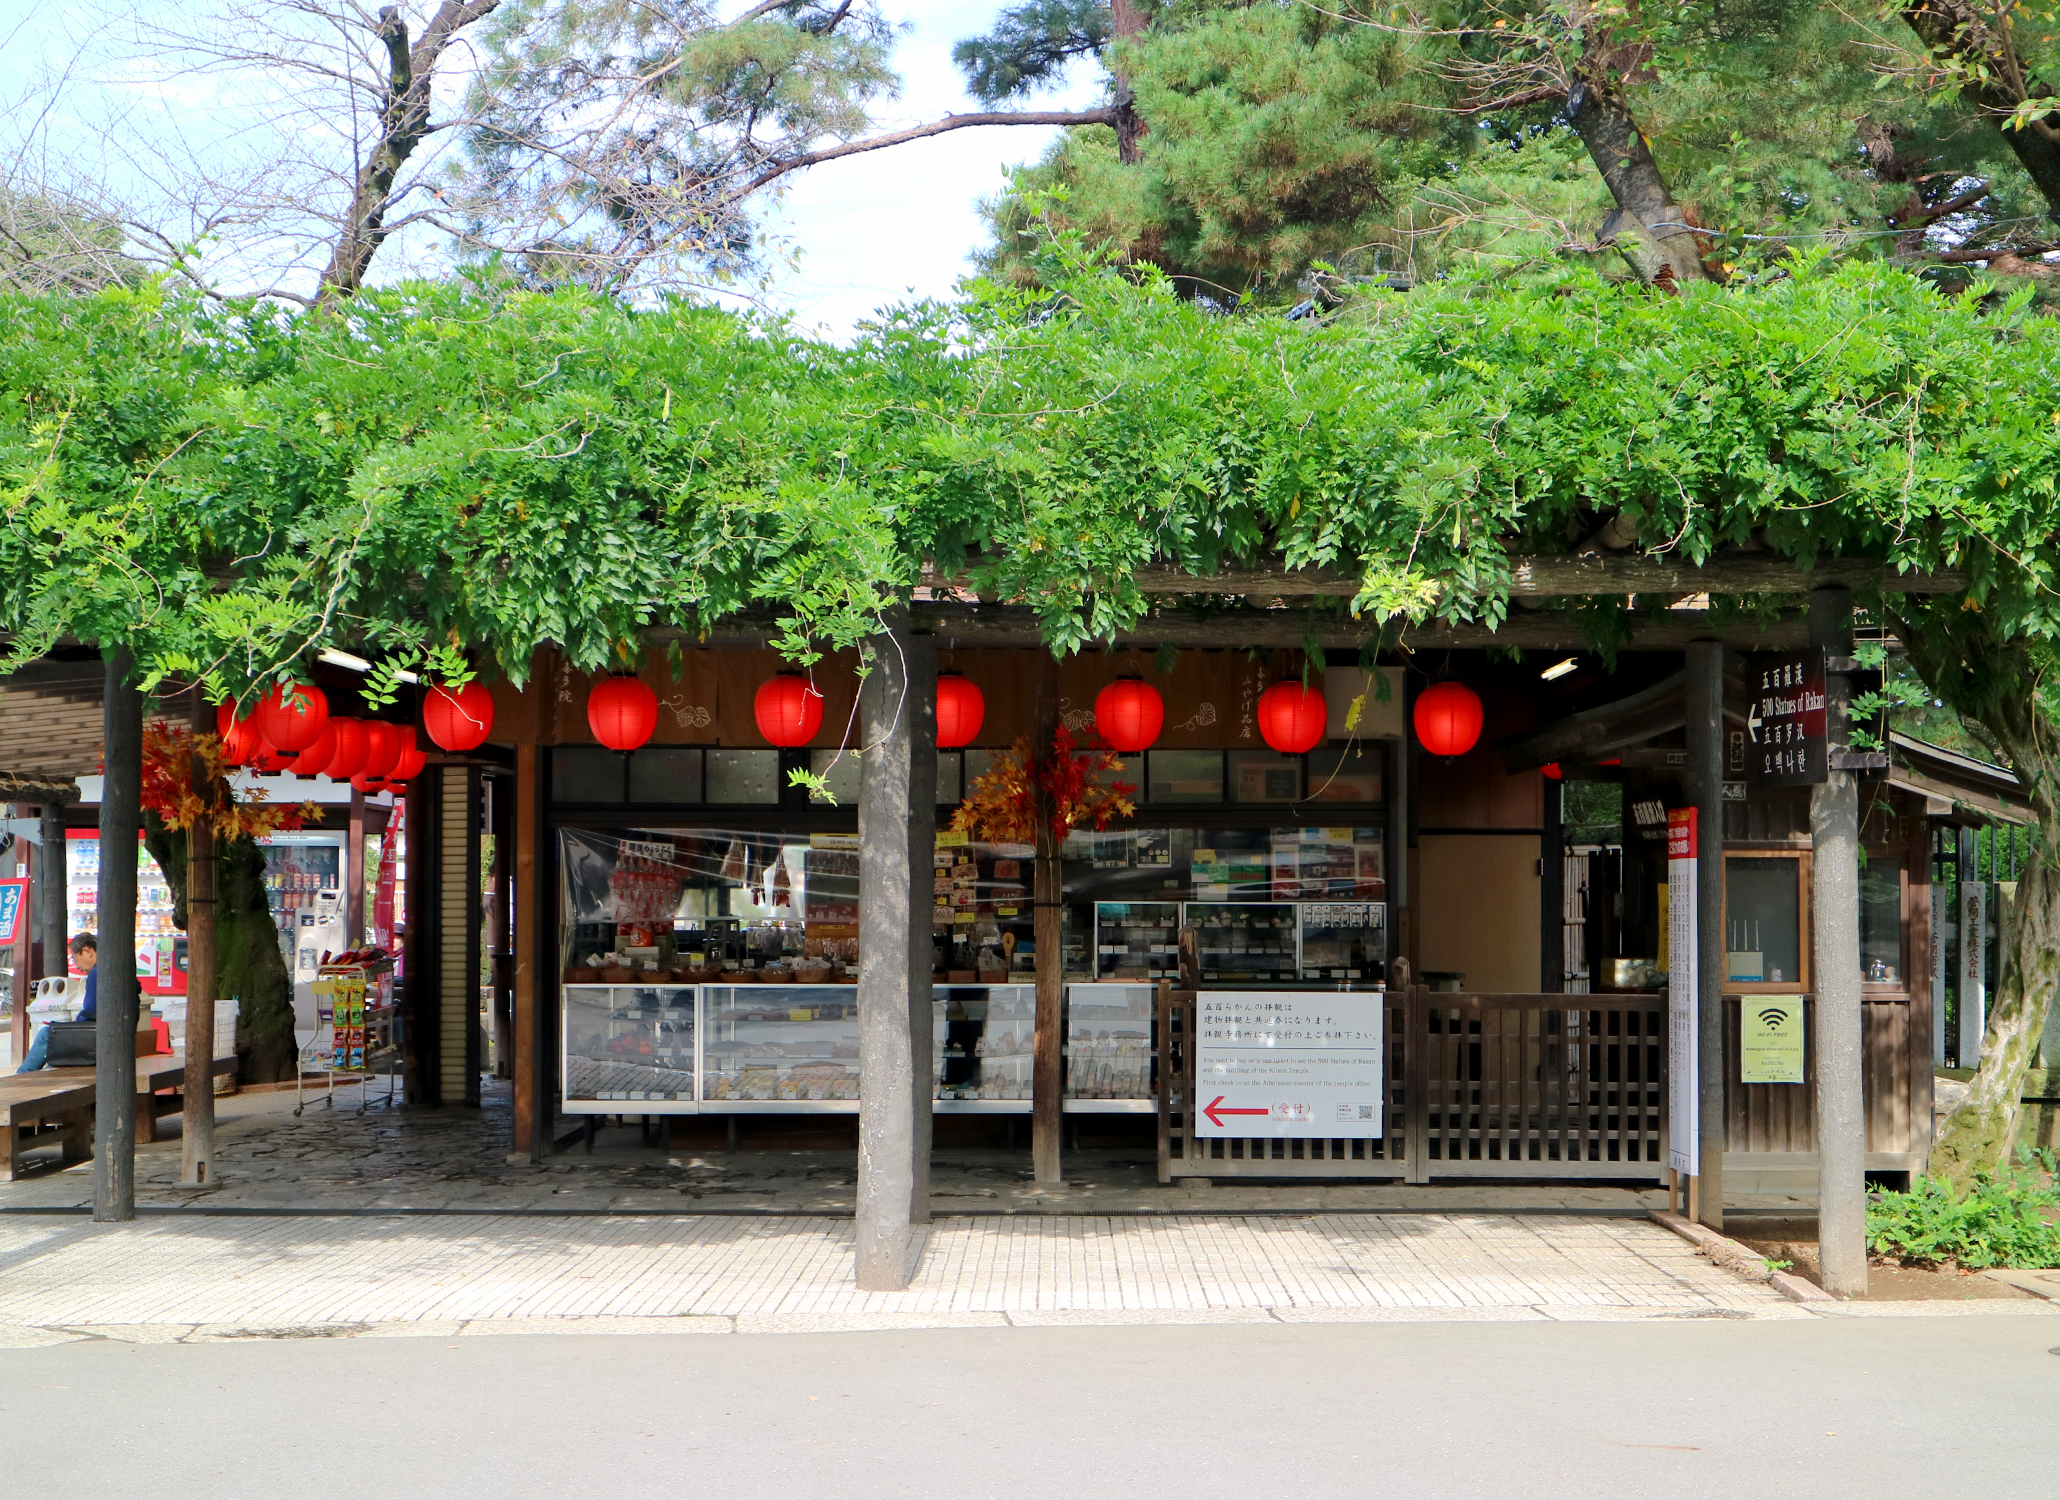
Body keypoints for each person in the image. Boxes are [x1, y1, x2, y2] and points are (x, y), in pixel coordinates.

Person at [16, 933, 97, 1073]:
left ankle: (21, 1076)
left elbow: (91, 1011)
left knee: (47, 1033)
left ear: (87, 952)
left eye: (75, 959)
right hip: (104, 1034)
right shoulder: (112, 970)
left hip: (94, 1036)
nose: (76, 966)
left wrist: (73, 1023)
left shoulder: (96, 974)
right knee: (52, 1055)